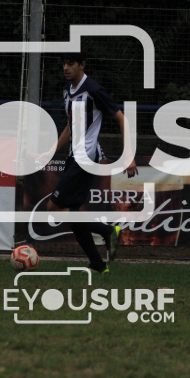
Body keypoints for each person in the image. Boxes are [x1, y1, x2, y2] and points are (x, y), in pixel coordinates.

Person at [46, 52, 138, 273]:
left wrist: (128, 155)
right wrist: (51, 152)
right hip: (74, 157)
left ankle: (107, 231)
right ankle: (97, 264)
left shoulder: (94, 90)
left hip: (86, 158)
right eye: (64, 64)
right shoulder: (67, 91)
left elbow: (122, 119)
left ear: (82, 65)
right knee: (72, 212)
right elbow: (71, 126)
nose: (66, 68)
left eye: (71, 63)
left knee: (53, 207)